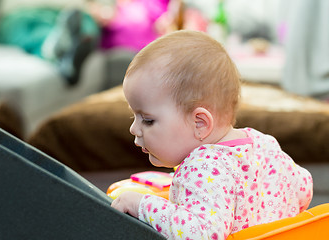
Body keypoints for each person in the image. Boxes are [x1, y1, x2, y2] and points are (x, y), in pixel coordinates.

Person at [111, 30, 313, 239]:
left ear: (200, 123)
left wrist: (142, 205)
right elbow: (304, 188)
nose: (133, 129)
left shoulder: (202, 168)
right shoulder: (263, 143)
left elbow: (201, 233)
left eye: (148, 120)